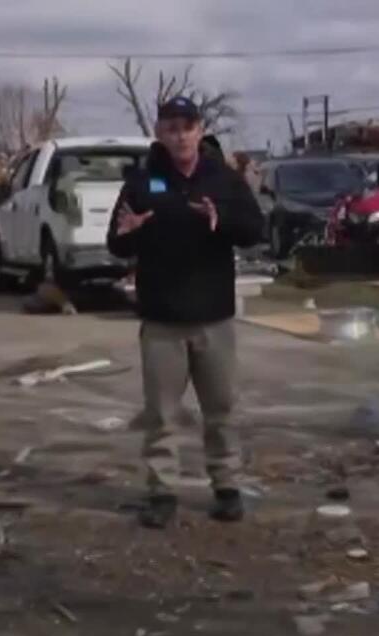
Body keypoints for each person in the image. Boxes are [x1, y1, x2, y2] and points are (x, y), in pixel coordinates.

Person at [107, 96, 264, 529]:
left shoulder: (224, 179)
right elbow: (116, 243)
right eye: (171, 126)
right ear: (160, 132)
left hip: (213, 316)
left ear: (200, 130)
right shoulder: (143, 181)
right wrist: (127, 235)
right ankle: (162, 491)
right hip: (161, 319)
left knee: (222, 410)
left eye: (187, 126)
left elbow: (255, 231)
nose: (180, 134)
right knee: (161, 414)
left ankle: (227, 486)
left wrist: (222, 221)